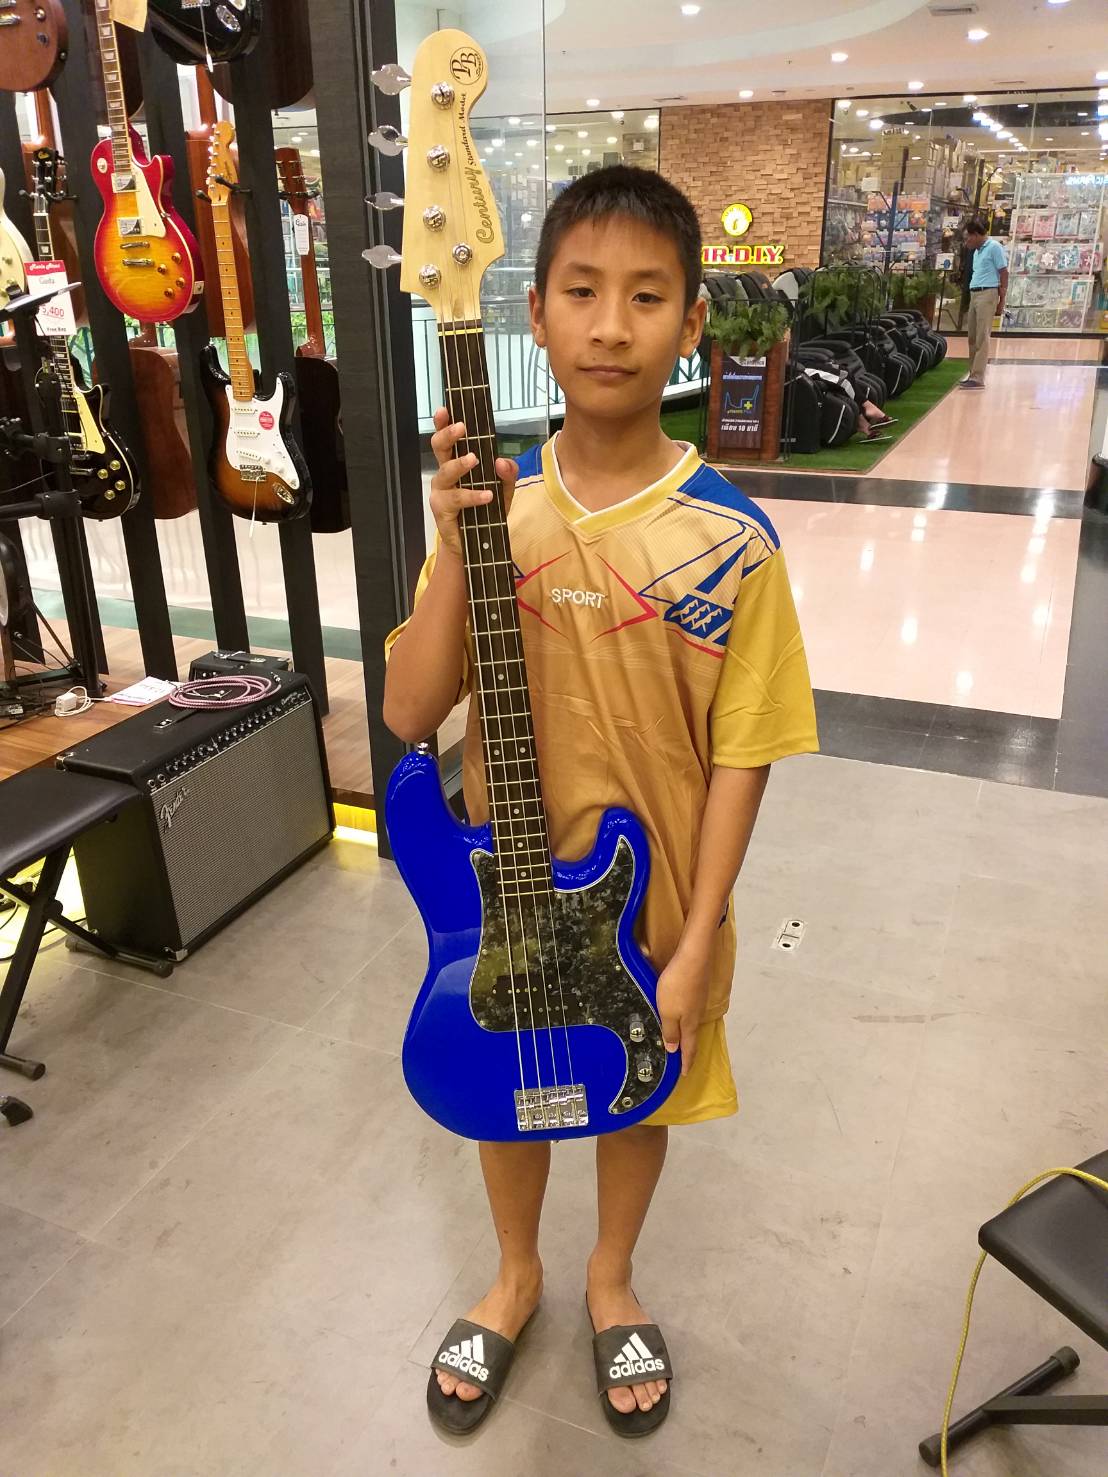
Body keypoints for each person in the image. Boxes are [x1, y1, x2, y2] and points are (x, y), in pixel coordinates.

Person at [382, 166, 819, 1439]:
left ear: (692, 322)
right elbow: (408, 711)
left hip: (658, 897)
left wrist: (694, 939)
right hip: (504, 891)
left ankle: (610, 1275)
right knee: (502, 1078)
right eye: (581, 292)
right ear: (533, 314)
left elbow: (744, 754)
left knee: (637, 1095)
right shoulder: (498, 508)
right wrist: (455, 543)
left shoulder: (735, 542)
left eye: (646, 296)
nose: (611, 326)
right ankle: (515, 1273)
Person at [960, 217, 1008, 388]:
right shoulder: (977, 252)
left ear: (976, 234)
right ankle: (972, 372)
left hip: (987, 293)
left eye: (968, 237)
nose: (967, 241)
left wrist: (1001, 300)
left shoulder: (994, 247)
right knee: (972, 337)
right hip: (975, 293)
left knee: (982, 336)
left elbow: (1004, 272)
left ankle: (978, 377)